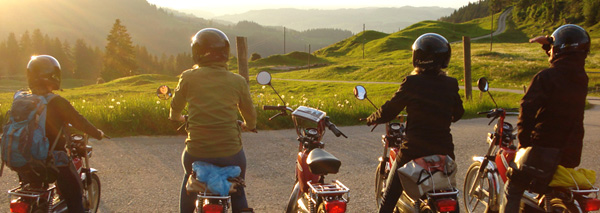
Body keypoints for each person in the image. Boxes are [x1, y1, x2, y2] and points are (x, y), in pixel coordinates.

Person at [366, 33, 464, 213]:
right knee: (449, 192)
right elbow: (458, 113)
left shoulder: (412, 82)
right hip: (444, 151)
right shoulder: (450, 83)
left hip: (413, 151)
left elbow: (389, 110)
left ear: (417, 58)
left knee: (388, 199)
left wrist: (372, 118)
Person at [500, 24, 590, 213]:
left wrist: (523, 145)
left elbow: (527, 108)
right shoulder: (581, 77)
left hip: (543, 150)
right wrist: (550, 45)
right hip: (570, 152)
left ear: (559, 50)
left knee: (513, 187)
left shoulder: (545, 77)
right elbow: (563, 65)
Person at [169, 28, 257, 213]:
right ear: (225, 53)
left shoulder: (188, 77)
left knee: (188, 182)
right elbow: (250, 117)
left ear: (197, 53)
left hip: (196, 151)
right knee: (238, 190)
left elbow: (174, 112)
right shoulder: (238, 81)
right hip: (230, 152)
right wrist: (248, 126)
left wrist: (180, 118)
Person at [26, 55, 105, 212]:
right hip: (52, 160)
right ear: (52, 76)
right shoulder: (56, 102)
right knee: (76, 198)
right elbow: (79, 121)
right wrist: (98, 133)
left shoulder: (23, 100)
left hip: (25, 160)